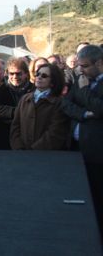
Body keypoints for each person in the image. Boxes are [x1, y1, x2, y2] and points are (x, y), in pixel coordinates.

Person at [61, 44, 103, 239]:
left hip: (97, 153)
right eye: (79, 66)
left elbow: (100, 109)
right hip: (76, 150)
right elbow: (65, 104)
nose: (80, 70)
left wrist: (85, 91)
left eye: (85, 66)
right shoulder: (80, 80)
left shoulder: (86, 84)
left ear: (99, 63)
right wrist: (85, 114)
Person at [10, 64, 70, 150]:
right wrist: (19, 148)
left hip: (45, 154)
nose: (39, 77)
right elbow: (15, 126)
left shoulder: (59, 102)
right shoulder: (25, 99)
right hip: (21, 153)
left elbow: (55, 132)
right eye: (37, 74)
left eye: (44, 76)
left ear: (53, 81)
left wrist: (34, 150)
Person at [0, 57, 34, 150]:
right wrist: (20, 112)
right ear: (7, 74)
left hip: (29, 136)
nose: (15, 77)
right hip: (5, 137)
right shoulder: (0, 90)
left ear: (26, 74)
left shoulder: (34, 90)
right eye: (12, 73)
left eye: (18, 74)